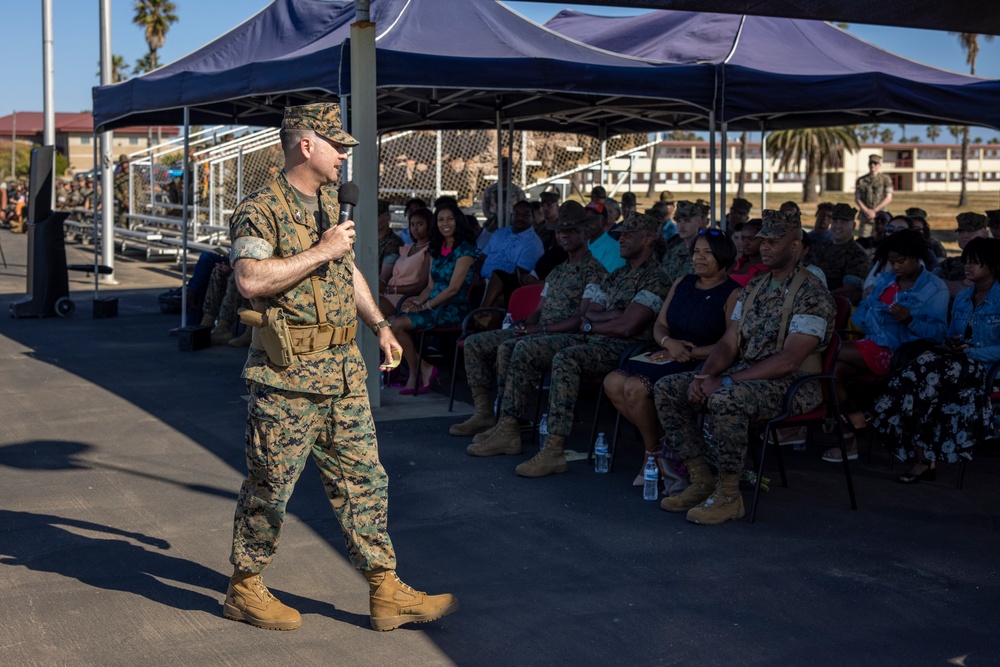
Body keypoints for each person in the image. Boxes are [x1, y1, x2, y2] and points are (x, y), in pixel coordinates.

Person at [225, 103, 456, 632]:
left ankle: (385, 589)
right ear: (306, 145)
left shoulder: (332, 203)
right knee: (270, 485)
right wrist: (320, 250)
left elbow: (346, 272)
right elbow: (251, 280)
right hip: (287, 377)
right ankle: (244, 586)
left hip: (343, 371)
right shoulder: (260, 208)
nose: (344, 156)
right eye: (337, 146)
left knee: (364, 481)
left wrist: (379, 325)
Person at [653, 210, 836, 524]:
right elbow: (728, 342)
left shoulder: (812, 294)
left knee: (725, 399)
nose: (763, 246)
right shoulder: (754, 287)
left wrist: (725, 383)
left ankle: (729, 495)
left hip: (794, 384)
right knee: (668, 388)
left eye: (773, 241)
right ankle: (701, 479)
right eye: (762, 240)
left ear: (794, 246)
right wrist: (706, 374)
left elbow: (789, 359)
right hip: (748, 374)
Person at [467, 214, 671, 479]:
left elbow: (627, 327)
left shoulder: (656, 278)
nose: (620, 239)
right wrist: (609, 316)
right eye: (619, 234)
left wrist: (602, 320)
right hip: (590, 338)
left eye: (627, 235)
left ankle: (554, 449)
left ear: (647, 239)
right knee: (523, 347)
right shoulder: (616, 275)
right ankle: (508, 428)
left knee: (566, 359)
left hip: (621, 348)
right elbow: (589, 313)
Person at [449, 201, 606, 438]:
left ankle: (509, 425)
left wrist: (541, 328)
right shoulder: (558, 270)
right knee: (475, 343)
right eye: (561, 231)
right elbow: (540, 307)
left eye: (571, 230)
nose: (564, 235)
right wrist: (526, 324)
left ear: (587, 233)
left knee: (513, 348)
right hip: (541, 331)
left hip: (567, 336)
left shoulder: (595, 271)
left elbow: (581, 318)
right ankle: (485, 414)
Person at [604, 228, 740, 484]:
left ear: (723, 256)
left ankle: (651, 455)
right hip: (667, 351)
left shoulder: (733, 293)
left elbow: (729, 342)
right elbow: (660, 325)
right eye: (696, 252)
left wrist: (688, 352)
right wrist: (669, 344)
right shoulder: (682, 283)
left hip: (703, 359)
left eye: (708, 253)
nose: (699, 258)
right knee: (612, 381)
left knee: (634, 387)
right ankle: (661, 448)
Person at [867, 237, 1000, 483]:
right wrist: (954, 344)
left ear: (993, 265)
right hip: (957, 364)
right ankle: (923, 459)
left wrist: (969, 352)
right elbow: (949, 335)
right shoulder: (962, 297)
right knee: (924, 375)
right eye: (966, 262)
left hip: (988, 368)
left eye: (975, 263)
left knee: (924, 376)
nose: (967, 267)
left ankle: (878, 412)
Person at [826, 229, 949, 462]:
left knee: (831, 350)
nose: (896, 267)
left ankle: (853, 425)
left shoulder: (934, 288)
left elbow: (939, 333)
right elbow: (863, 311)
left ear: (916, 256)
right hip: (873, 344)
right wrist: (870, 316)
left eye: (901, 261)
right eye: (892, 262)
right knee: (832, 372)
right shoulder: (885, 280)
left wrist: (909, 320)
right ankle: (851, 430)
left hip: (902, 354)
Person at [389, 202, 478, 394]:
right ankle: (423, 369)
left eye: (449, 219)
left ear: (458, 222)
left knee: (397, 325)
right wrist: (416, 303)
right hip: (432, 305)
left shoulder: (465, 250)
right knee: (391, 322)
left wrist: (426, 306)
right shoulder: (437, 249)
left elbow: (453, 288)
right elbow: (430, 286)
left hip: (452, 308)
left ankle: (417, 373)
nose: (445, 224)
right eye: (440, 220)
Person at [477, 198, 545, 308]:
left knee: (497, 274)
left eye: (525, 215)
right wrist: (475, 275)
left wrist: (484, 283)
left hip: (503, 285)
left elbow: (519, 275)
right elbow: (482, 258)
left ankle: (480, 312)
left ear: (533, 218)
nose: (520, 218)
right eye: (517, 214)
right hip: (480, 279)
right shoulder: (499, 233)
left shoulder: (533, 243)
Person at [808, 203, 871, 304]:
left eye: (843, 222)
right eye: (835, 221)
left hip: (835, 307)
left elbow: (851, 291)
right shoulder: (819, 247)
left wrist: (819, 296)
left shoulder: (858, 256)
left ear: (853, 226)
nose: (838, 226)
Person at [379, 207, 432, 317]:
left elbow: (422, 285)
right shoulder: (407, 248)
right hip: (389, 292)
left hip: (406, 297)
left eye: (420, 224)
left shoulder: (429, 251)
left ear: (429, 225)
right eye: (412, 225)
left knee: (371, 308)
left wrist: (390, 290)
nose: (415, 228)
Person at [934, 212, 991, 297]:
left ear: (985, 234)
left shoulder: (992, 263)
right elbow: (929, 283)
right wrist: (959, 285)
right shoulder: (949, 264)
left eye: (970, 231)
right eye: (961, 231)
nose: (964, 235)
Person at [662, 200, 709, 284]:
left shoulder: (708, 251)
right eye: (678, 221)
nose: (681, 226)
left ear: (699, 223)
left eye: (687, 221)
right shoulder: (673, 253)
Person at [855, 154, 893, 237]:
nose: (872, 165)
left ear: (879, 165)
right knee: (863, 241)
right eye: (871, 163)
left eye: (875, 163)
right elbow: (857, 198)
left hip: (881, 217)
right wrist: (867, 211)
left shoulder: (885, 179)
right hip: (866, 217)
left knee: (881, 240)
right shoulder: (861, 180)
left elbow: (888, 197)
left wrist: (874, 211)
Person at [587, 200, 627, 273]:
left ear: (604, 221)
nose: (589, 221)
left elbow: (608, 280)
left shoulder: (615, 249)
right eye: (587, 217)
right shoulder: (581, 244)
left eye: (594, 217)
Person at [728, 218, 767, 287]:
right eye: (743, 238)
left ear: (764, 239)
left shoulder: (769, 269)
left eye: (751, 239)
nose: (745, 243)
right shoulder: (737, 265)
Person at [376, 199, 403, 281]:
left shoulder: (393, 242)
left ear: (388, 217)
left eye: (378, 215)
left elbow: (384, 277)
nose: (373, 219)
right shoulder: (366, 238)